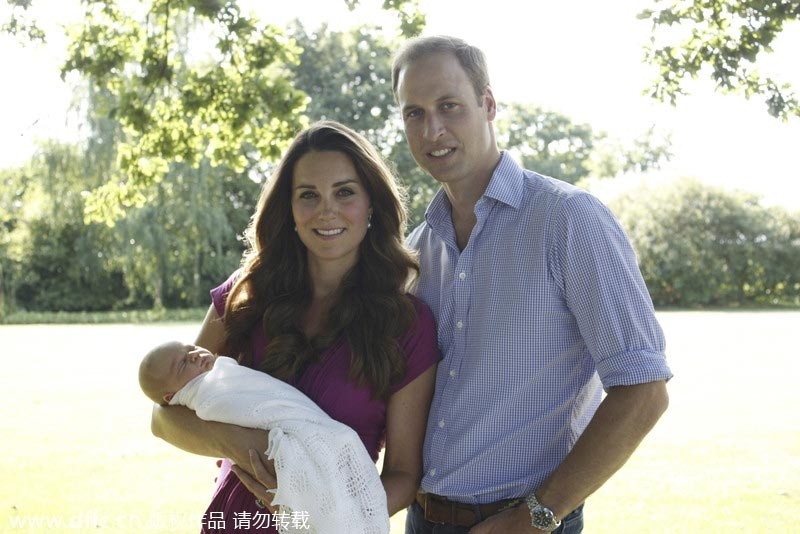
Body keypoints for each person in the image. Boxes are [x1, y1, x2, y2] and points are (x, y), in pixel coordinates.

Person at [391, 35, 673, 533]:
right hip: (423, 518)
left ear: (489, 104)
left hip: (524, 522)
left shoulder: (569, 220)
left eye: (449, 106)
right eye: (414, 113)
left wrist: (538, 515)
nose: (432, 129)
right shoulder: (418, 247)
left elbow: (644, 390)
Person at [149, 120, 440, 534]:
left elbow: (404, 475)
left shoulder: (408, 325)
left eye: (345, 192)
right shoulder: (246, 294)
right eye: (308, 195)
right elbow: (164, 418)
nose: (327, 210)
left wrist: (326, 513)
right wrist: (238, 443)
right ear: (289, 207)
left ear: (371, 204)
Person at [139, 340, 390, 533]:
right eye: (183, 363)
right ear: (172, 396)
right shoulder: (207, 397)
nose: (194, 354)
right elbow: (161, 419)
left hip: (317, 446)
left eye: (190, 348)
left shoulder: (218, 373)